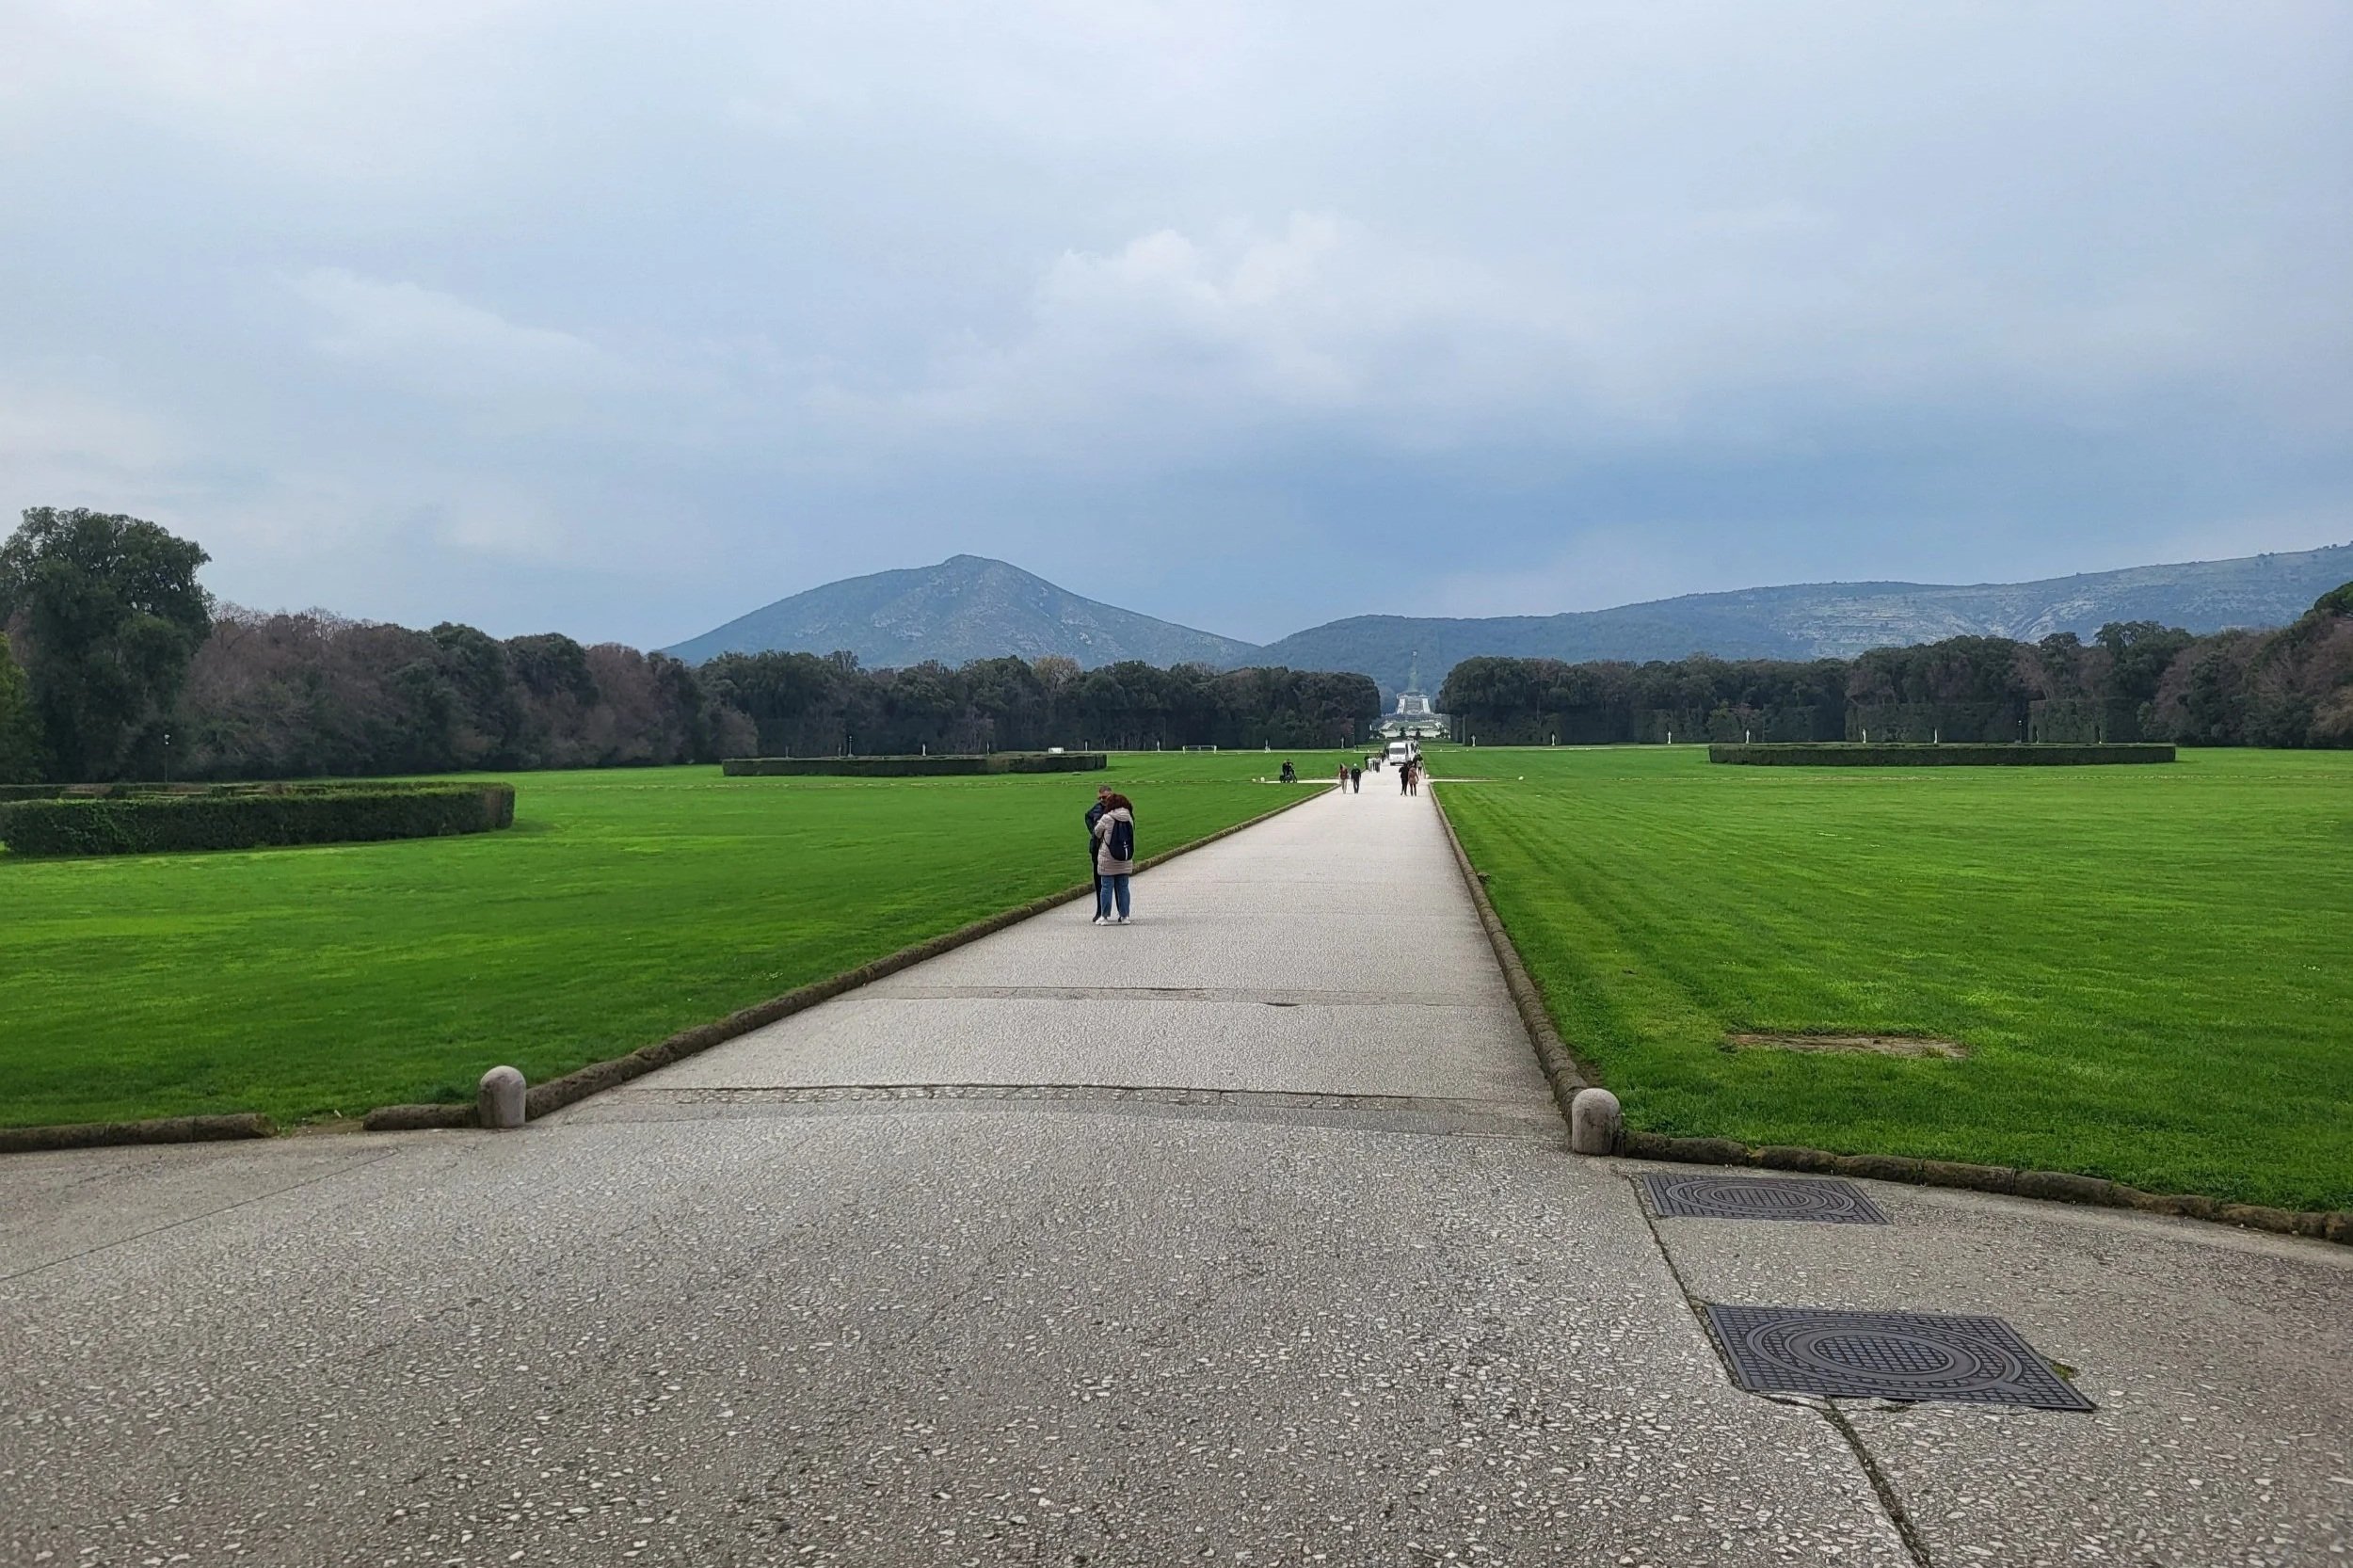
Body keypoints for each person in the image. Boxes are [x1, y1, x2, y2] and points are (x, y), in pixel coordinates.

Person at [1092, 791, 1137, 924]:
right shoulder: (1129, 818)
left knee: (1106, 886)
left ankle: (1104, 916)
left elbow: (1097, 832)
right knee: (1123, 887)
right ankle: (1125, 916)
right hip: (1124, 857)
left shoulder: (1107, 818)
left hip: (1108, 857)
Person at [1083, 786, 1112, 912]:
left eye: (1104, 797)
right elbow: (1087, 816)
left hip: (1112, 849)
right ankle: (1100, 909)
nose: (1101, 800)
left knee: (1117, 881)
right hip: (1097, 848)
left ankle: (1122, 911)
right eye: (1099, 798)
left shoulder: (1116, 808)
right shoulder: (1096, 808)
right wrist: (1094, 832)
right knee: (1098, 879)